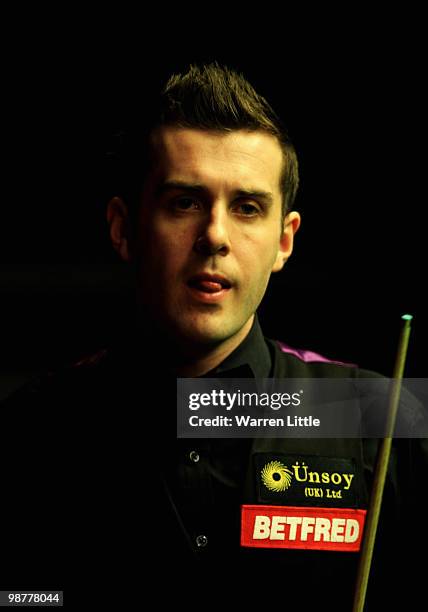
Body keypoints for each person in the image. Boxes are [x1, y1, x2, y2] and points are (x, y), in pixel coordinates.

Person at [1, 62, 426, 609]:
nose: (215, 236)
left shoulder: (380, 417)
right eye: (184, 202)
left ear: (283, 241)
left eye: (247, 208)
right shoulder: (29, 431)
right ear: (123, 228)